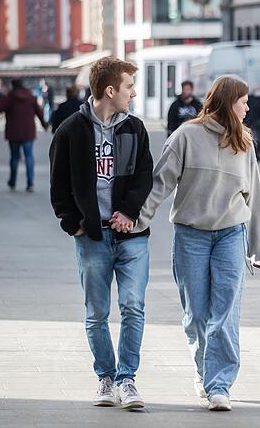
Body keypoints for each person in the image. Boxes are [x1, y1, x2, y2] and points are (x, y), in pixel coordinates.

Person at [133, 75, 260, 412]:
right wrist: (138, 221)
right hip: (191, 235)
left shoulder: (244, 143)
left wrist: (257, 247)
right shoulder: (185, 136)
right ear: (227, 101)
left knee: (224, 312)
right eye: (243, 100)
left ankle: (219, 384)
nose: (248, 107)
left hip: (230, 235)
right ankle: (203, 369)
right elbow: (159, 183)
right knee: (196, 314)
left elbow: (255, 198)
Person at [49, 57, 153, 409]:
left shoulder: (134, 129)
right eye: (128, 87)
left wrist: (129, 211)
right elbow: (58, 184)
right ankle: (105, 378)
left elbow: (144, 176)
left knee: (133, 307)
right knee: (96, 313)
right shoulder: (70, 131)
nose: (133, 94)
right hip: (92, 237)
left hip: (132, 235)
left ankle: (127, 379)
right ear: (110, 90)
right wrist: (72, 222)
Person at [0, 79, 48, 192]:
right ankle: (30, 183)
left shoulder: (9, 97)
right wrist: (44, 124)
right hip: (28, 132)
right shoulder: (31, 97)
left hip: (13, 132)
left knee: (14, 157)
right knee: (29, 156)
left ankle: (12, 181)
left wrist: (1, 95)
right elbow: (39, 112)